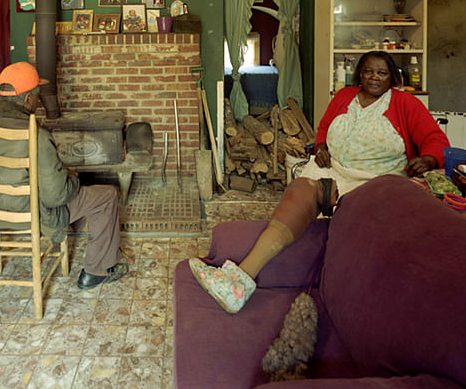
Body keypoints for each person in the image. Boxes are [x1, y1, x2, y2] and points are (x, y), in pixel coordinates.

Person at [190, 51, 450, 313]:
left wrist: (428, 159)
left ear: (392, 77)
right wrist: (321, 146)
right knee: (299, 191)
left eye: (382, 73)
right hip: (333, 171)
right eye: (368, 71)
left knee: (353, 218)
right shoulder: (345, 96)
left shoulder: (405, 103)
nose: (374, 78)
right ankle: (240, 282)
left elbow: (436, 140)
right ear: (360, 73)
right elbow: (325, 126)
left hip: (377, 182)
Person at [0, 62, 128, 290]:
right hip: (28, 214)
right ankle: (96, 271)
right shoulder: (36, 135)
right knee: (106, 196)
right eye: (36, 95)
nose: (38, 100)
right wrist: (73, 178)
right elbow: (55, 196)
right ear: (27, 100)